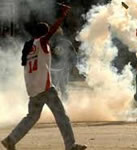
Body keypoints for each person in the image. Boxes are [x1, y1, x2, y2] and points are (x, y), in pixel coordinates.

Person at [1, 5, 87, 150]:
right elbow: (52, 31)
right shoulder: (41, 42)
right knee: (62, 116)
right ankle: (70, 145)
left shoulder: (28, 47)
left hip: (33, 90)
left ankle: (11, 139)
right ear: (44, 34)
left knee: (31, 117)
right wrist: (62, 16)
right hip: (45, 88)